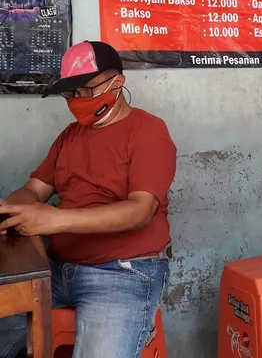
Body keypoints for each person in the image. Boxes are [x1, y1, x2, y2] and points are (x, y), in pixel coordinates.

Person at [0, 41, 176, 358]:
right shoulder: (70, 135)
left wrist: (53, 220)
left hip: (122, 273)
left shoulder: (148, 131)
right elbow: (35, 188)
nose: (75, 101)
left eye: (84, 91)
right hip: (55, 270)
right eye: (69, 94)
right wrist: (14, 209)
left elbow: (140, 211)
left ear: (117, 83)